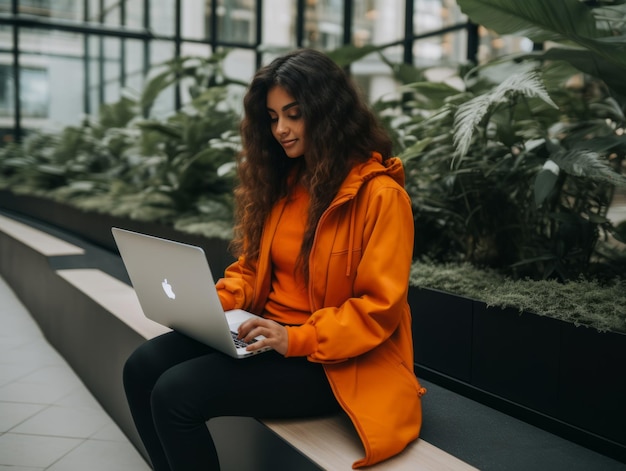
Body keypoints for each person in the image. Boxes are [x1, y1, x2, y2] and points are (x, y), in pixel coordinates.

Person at [123, 48, 426, 470]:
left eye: (294, 114)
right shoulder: (284, 184)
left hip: (329, 361)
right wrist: (209, 304)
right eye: (272, 117)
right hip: (265, 336)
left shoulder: (381, 196)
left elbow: (379, 309)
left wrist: (293, 338)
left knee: (175, 394)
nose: (281, 129)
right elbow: (251, 272)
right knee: (141, 368)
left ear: (328, 113)